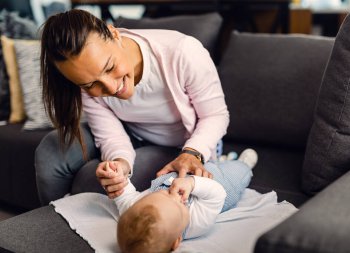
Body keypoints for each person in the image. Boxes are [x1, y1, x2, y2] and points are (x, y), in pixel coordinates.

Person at [35, 9, 229, 205]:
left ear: (115, 34)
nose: (110, 88)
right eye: (90, 84)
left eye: (109, 67)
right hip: (131, 135)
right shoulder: (82, 82)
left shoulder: (183, 52)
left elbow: (215, 115)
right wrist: (120, 163)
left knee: (92, 184)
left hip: (185, 144)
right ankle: (50, 225)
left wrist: (192, 153)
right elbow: (111, 135)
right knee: (51, 149)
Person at [109, 149, 258, 253]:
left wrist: (117, 177)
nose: (170, 192)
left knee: (208, 161)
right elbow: (217, 194)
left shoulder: (137, 206)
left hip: (188, 167)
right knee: (236, 172)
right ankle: (244, 164)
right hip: (222, 181)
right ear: (176, 241)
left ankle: (216, 159)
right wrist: (192, 183)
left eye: (161, 194)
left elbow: (125, 199)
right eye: (177, 204)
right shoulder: (196, 223)